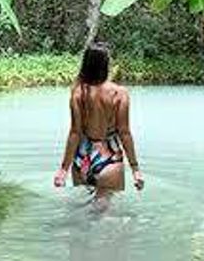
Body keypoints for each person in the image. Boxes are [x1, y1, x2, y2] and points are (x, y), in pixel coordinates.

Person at [53, 43, 143, 204]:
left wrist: (63, 169)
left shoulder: (78, 92)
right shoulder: (119, 93)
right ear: (107, 65)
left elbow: (75, 132)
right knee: (107, 216)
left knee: (82, 212)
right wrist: (135, 169)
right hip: (109, 156)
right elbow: (124, 133)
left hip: (82, 158)